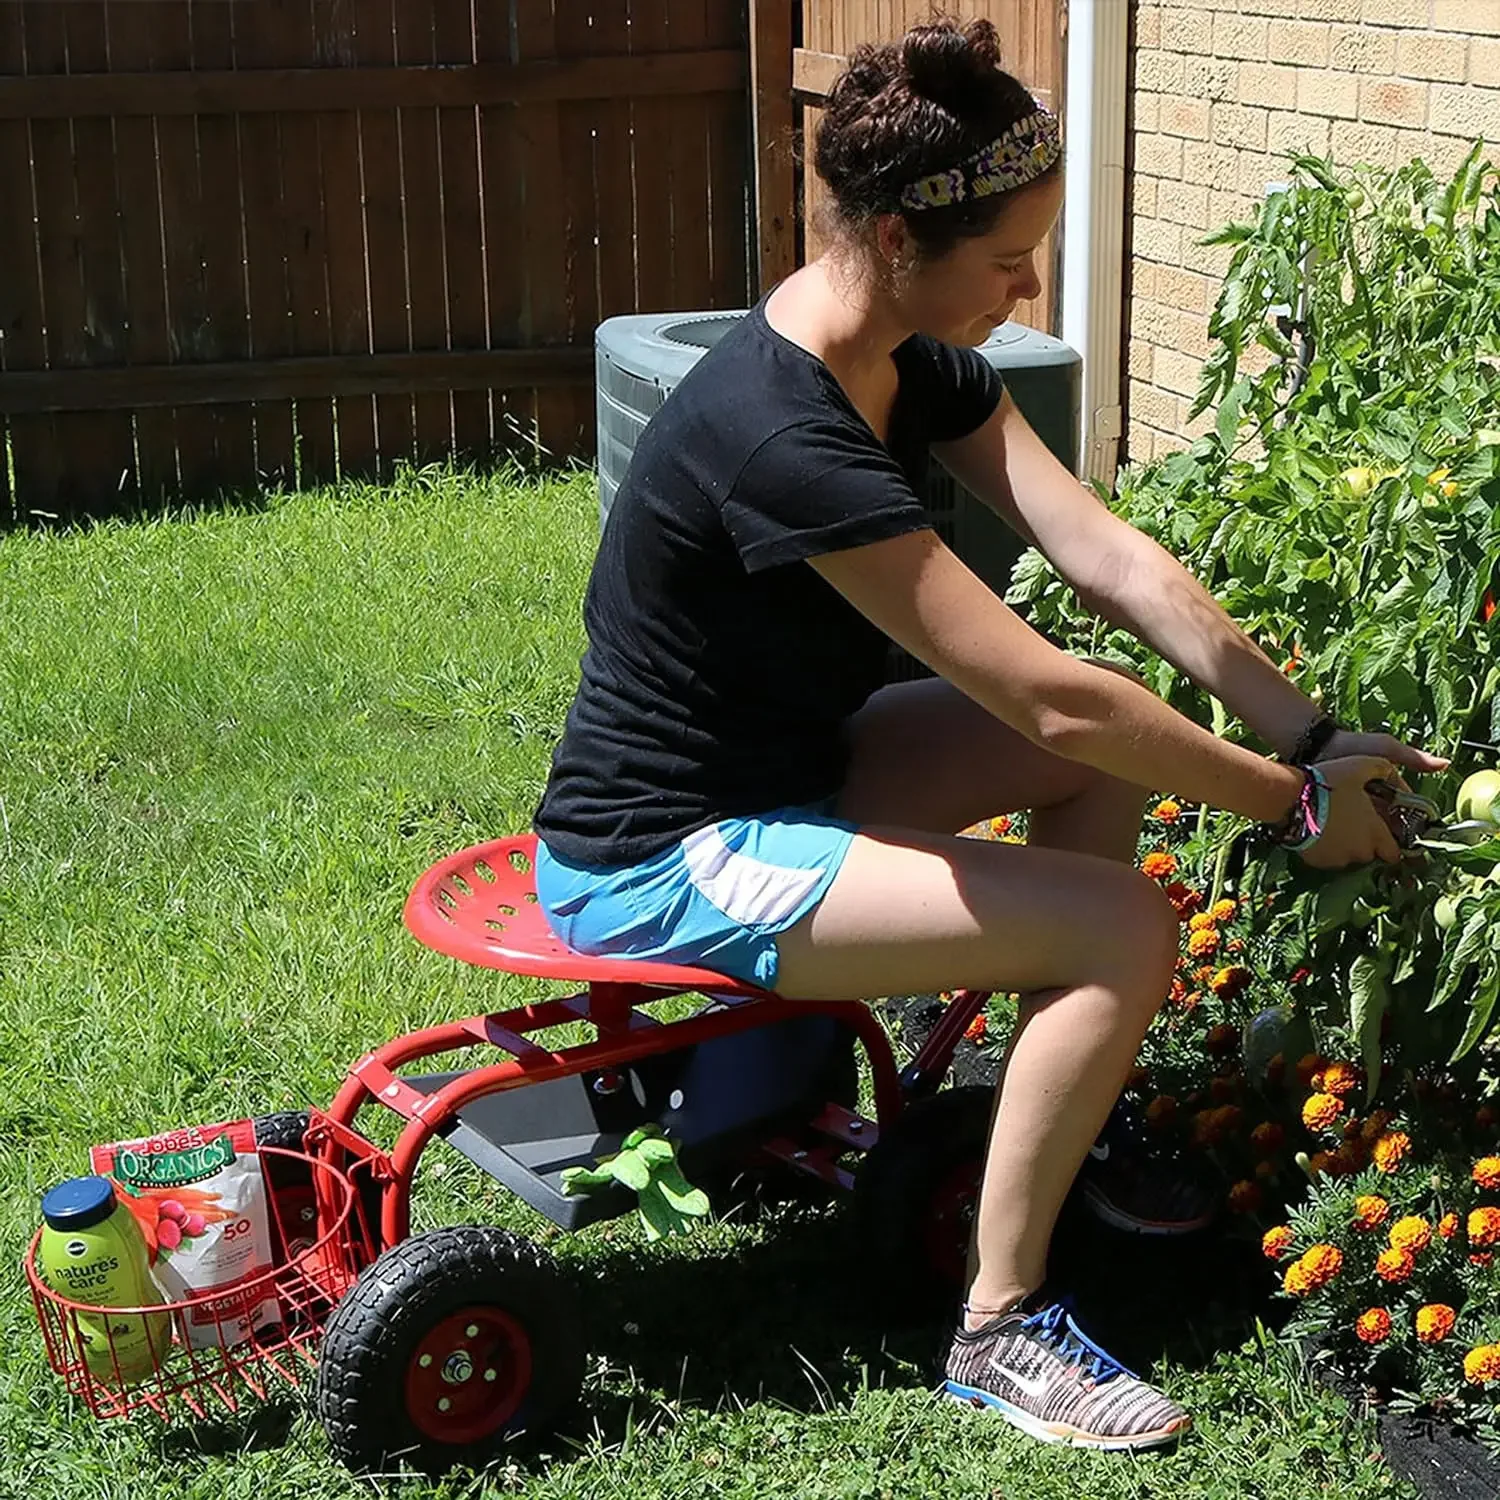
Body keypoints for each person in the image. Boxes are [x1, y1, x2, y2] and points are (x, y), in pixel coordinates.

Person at [532, 17, 1447, 1452]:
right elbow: (1048, 693)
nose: (1029, 288)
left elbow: (1113, 561)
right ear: (898, 237)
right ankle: (1001, 1327)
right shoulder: (786, 431)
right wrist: (1285, 802)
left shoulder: (905, 358)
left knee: (1094, 766)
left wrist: (1314, 730)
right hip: (667, 852)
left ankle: (1051, 1127)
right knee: (1124, 925)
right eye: (1008, 259)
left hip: (787, 774)